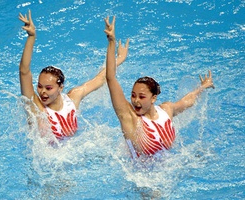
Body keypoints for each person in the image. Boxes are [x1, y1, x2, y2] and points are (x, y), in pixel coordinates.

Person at [104, 16, 215, 159]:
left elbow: (188, 101)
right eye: (133, 95)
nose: (136, 101)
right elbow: (110, 78)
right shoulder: (130, 118)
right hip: (140, 178)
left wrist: (202, 88)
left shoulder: (166, 110)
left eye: (142, 97)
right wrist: (111, 42)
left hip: (169, 170)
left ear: (153, 98)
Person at [18, 11, 129, 140]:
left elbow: (100, 78)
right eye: (39, 86)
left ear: (61, 88)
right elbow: (24, 72)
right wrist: (31, 37)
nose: (42, 92)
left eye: (48, 88)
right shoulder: (37, 108)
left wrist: (118, 56)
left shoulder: (72, 99)